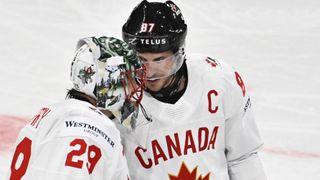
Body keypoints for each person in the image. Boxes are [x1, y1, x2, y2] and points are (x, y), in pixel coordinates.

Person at [120, 0, 267, 179]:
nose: (149, 72)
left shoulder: (219, 80)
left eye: (159, 60)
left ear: (179, 52)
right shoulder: (117, 99)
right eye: (141, 60)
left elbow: (243, 157)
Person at [6, 36, 145, 180]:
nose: (134, 88)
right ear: (107, 81)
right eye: (128, 79)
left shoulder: (59, 114)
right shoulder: (87, 127)